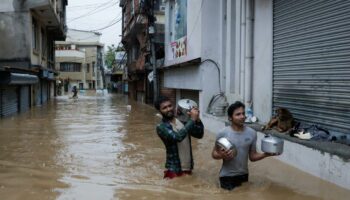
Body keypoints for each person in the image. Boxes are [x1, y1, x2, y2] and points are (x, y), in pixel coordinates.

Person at [212, 101, 278, 190]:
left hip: (244, 175)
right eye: (238, 114)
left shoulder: (252, 133)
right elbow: (214, 153)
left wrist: (266, 154)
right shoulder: (223, 133)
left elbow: (252, 157)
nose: (242, 116)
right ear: (230, 118)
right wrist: (221, 155)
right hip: (226, 176)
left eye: (243, 113)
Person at [154, 96, 204, 179]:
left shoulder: (184, 122)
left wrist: (197, 120)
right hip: (174, 169)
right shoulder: (161, 127)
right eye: (164, 108)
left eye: (170, 106)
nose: (168, 109)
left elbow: (199, 134)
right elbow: (178, 137)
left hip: (188, 167)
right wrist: (192, 120)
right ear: (160, 111)